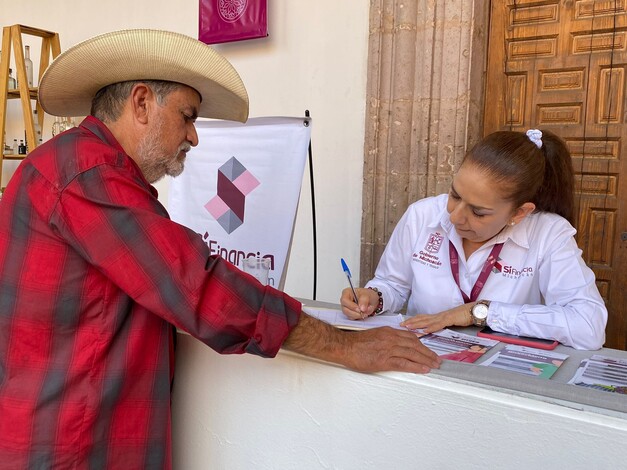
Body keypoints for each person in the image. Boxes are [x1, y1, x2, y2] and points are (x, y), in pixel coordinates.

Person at [0, 29, 440, 469]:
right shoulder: (88, 173)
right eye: (187, 116)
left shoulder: (79, 164)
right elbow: (196, 284)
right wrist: (344, 346)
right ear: (140, 104)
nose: (194, 137)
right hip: (70, 441)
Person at [341, 129, 607, 351]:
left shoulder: (549, 234)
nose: (455, 217)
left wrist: (480, 312)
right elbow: (392, 284)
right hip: (422, 362)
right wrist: (374, 297)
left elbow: (588, 325)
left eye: (478, 212)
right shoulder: (422, 215)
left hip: (501, 378)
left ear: (519, 212)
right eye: (455, 195)